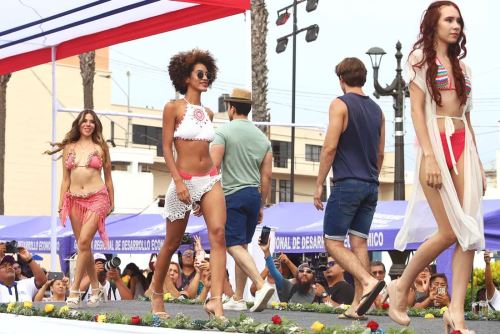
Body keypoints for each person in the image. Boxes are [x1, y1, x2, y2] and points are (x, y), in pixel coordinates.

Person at [389, 3, 485, 332]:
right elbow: (416, 110)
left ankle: (455, 313)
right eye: (448, 19)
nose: (455, 25)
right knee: (449, 230)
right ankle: (401, 287)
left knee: (469, 234)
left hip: (463, 146)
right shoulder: (420, 60)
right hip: (436, 141)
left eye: (458, 20)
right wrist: (429, 154)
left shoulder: (464, 67)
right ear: (434, 23)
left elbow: (467, 117)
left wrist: (479, 164)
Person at [150, 49, 227, 320]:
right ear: (186, 77)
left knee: (218, 235)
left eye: (207, 74)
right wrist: (179, 183)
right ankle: (157, 294)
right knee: (171, 244)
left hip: (210, 179)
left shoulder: (208, 112)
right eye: (200, 74)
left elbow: (207, 150)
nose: (205, 78)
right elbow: (166, 149)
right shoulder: (173, 107)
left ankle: (216, 301)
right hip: (183, 181)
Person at [313, 57, 386, 317]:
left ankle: (368, 282)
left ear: (341, 80)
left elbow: (330, 147)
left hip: (347, 183)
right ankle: (357, 305)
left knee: (332, 242)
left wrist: (319, 183)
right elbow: (380, 154)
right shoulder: (378, 110)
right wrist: (370, 177)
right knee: (359, 243)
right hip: (371, 184)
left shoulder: (340, 104)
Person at [210, 87, 274, 312]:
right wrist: (261, 204)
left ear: (232, 108)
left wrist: (203, 197)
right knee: (242, 246)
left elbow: (213, 166)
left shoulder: (224, 132)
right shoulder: (262, 138)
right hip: (253, 195)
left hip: (232, 194)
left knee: (233, 244)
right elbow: (266, 176)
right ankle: (238, 297)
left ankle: (260, 284)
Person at [46, 109, 114, 308]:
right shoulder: (69, 147)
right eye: (85, 121)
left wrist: (112, 200)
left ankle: (74, 290)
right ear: (79, 124)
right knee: (85, 246)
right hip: (73, 199)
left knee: (83, 242)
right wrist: (61, 203)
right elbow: (65, 179)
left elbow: (108, 177)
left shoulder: (101, 147)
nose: (88, 124)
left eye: (92, 121)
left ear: (96, 125)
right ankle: (96, 288)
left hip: (98, 197)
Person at [259, 238, 330, 304]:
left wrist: (323, 294)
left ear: (313, 276)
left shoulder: (318, 291)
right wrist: (266, 251)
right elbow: (273, 270)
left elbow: (334, 309)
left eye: (308, 271)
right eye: (301, 271)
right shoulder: (288, 286)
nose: (304, 273)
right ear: (297, 275)